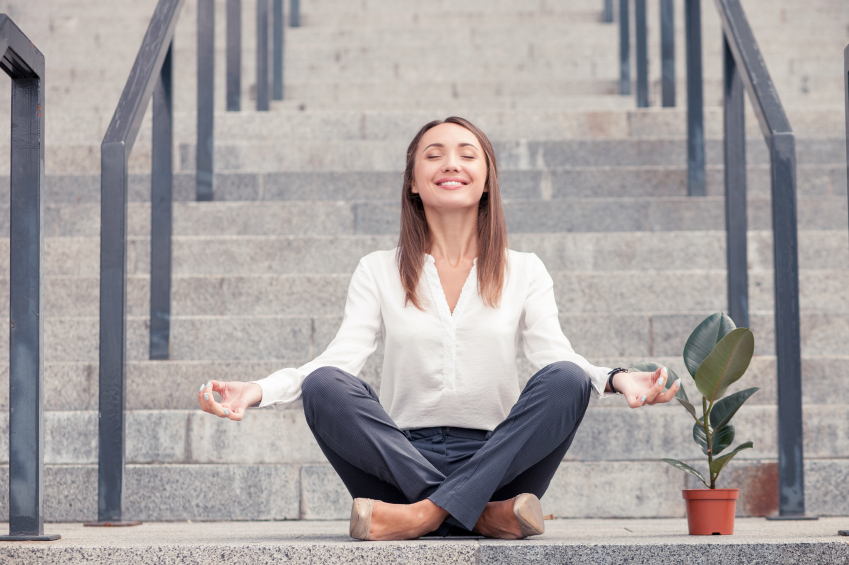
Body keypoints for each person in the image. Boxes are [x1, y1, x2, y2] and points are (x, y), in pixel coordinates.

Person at [197, 117, 681, 541]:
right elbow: (336, 361)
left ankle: (423, 517)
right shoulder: (377, 270)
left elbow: (558, 356)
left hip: (500, 462)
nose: (451, 163)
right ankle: (482, 518)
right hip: (398, 463)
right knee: (325, 385)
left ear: (487, 180)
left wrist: (617, 378)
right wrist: (258, 391)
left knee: (566, 380)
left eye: (467, 154)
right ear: (413, 182)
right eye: (435, 155)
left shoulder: (525, 270)